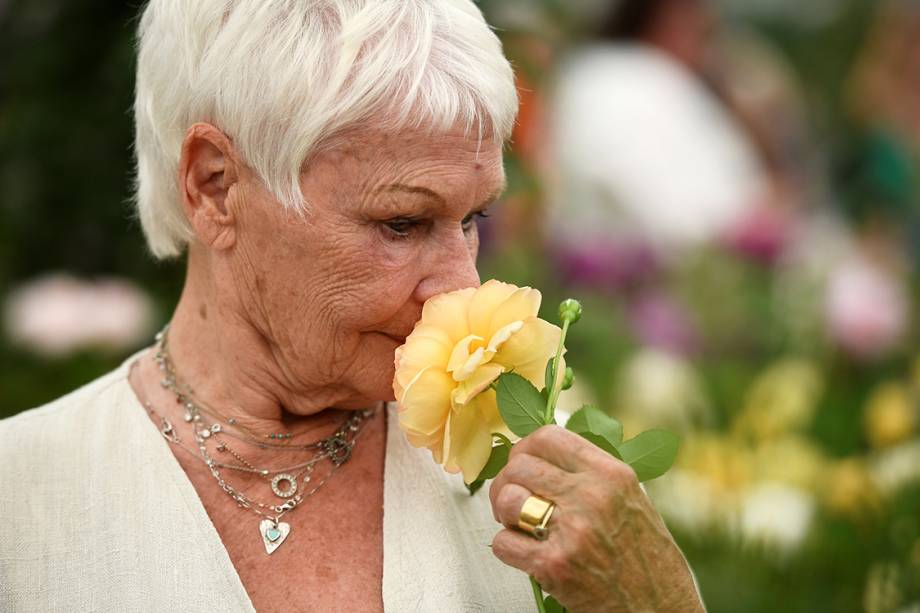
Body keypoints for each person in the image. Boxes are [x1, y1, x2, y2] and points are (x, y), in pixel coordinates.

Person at [0, 1, 705, 611]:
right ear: (214, 186)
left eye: (473, 220)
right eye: (402, 223)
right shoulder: (24, 500)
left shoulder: (536, 476)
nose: (461, 287)